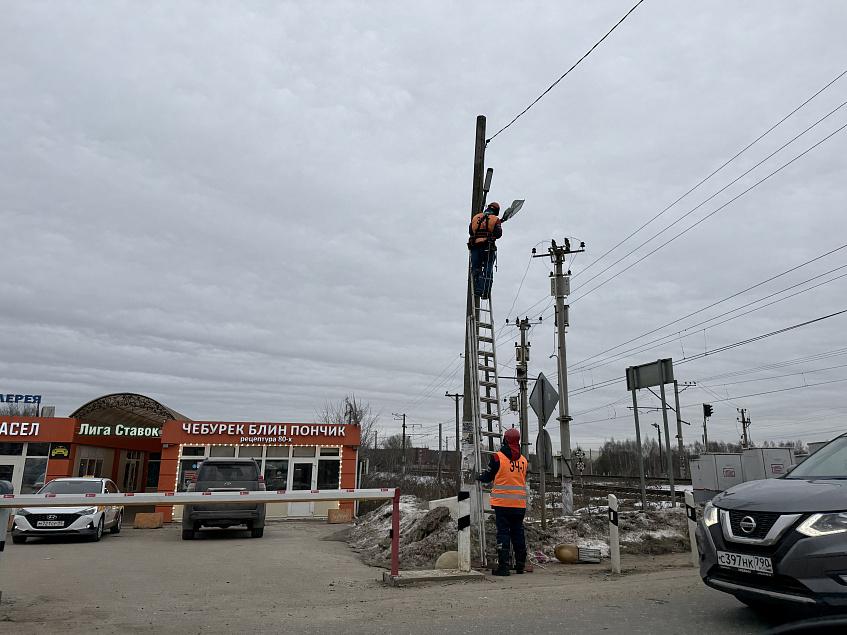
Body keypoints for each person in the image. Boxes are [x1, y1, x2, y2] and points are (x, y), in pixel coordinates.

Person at [477, 427, 527, 576]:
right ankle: (520, 566)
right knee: (518, 532)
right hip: (519, 505)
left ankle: (504, 567)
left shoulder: (498, 457)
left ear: (505, 440)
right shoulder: (524, 460)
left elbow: (488, 476)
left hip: (502, 504)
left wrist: (479, 477)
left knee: (503, 532)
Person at [468, 202, 502, 299]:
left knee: (477, 268)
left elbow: (471, 231)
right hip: (488, 247)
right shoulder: (495, 219)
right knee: (488, 268)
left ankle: (479, 290)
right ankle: (486, 292)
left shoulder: (475, 218)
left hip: (475, 247)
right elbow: (498, 234)